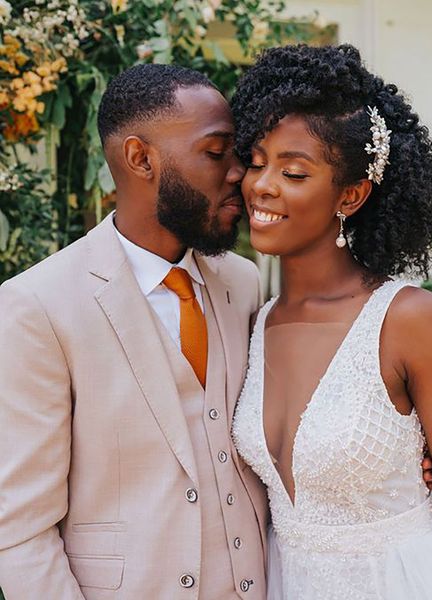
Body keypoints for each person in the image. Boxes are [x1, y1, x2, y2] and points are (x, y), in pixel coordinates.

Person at [232, 44, 432, 600]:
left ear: (350, 195)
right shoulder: (252, 321)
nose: (263, 184)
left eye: (294, 171)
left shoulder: (406, 319)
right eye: (257, 162)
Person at [0, 64, 269, 599]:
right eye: (217, 152)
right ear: (140, 158)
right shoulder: (37, 306)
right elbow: (19, 530)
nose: (239, 172)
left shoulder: (243, 283)